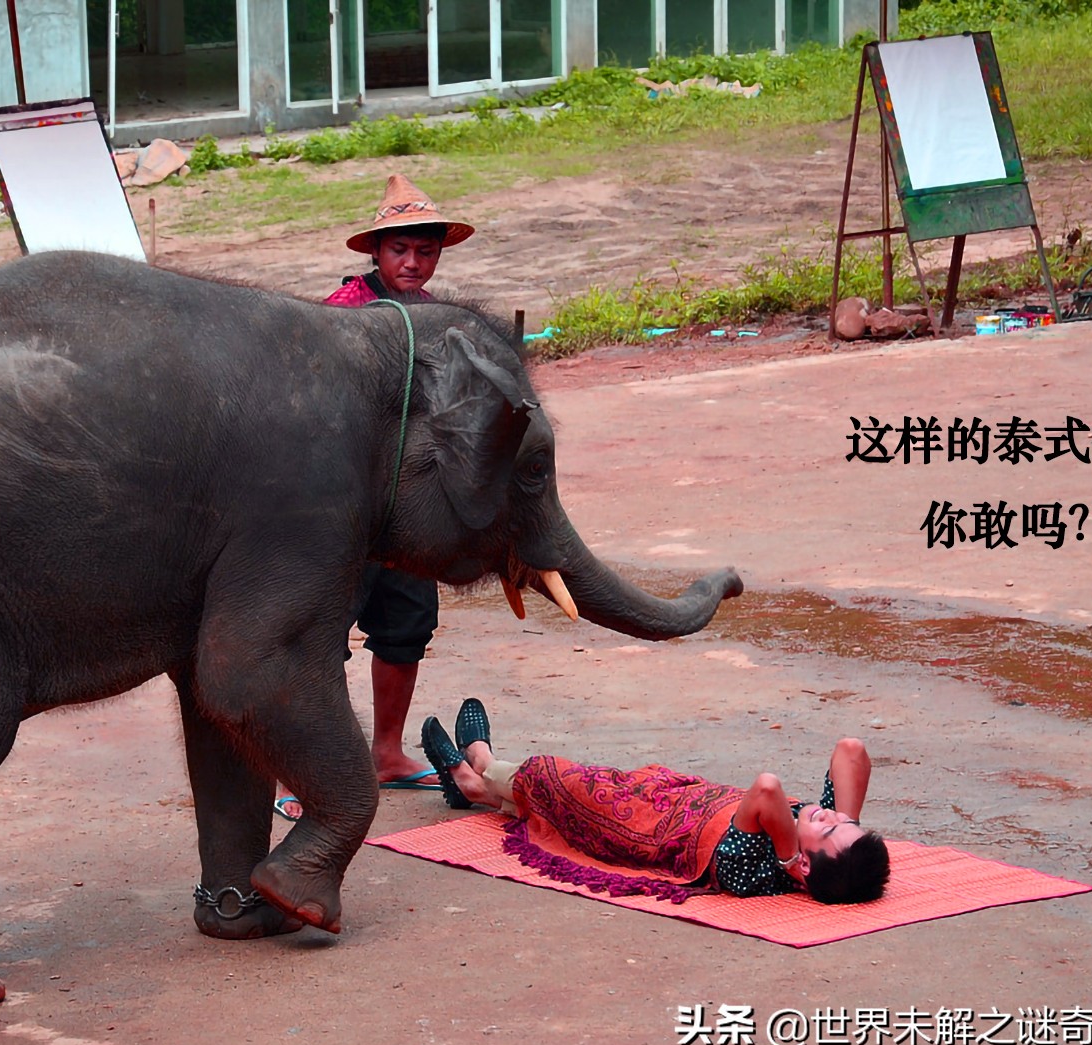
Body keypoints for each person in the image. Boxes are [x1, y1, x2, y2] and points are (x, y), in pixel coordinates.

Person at [273, 175, 476, 822]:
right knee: (319, 634)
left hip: (407, 507)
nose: (413, 263)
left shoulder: (438, 316)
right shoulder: (344, 313)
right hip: (340, 504)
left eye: (425, 251)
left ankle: (387, 751)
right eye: (400, 252)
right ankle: (295, 772)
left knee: (406, 625)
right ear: (377, 254)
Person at [420, 703, 890, 905]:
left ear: (805, 865)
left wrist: (788, 855)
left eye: (830, 828)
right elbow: (852, 750)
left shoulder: (756, 875)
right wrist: (848, 829)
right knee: (594, 780)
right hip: (676, 794)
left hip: (647, 828)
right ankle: (479, 777)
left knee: (555, 778)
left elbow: (767, 788)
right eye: (842, 817)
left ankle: (478, 770)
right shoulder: (815, 834)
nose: (830, 814)